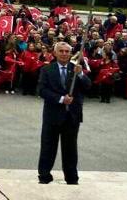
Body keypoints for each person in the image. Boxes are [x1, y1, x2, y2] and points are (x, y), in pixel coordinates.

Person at [37, 42, 91, 185]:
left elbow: (88, 86)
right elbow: (41, 90)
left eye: (67, 51)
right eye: (61, 51)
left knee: (70, 150)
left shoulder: (76, 68)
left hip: (71, 116)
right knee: (48, 148)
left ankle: (72, 178)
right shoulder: (47, 69)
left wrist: (80, 75)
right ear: (55, 53)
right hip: (52, 116)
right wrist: (61, 99)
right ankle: (44, 176)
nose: (64, 54)